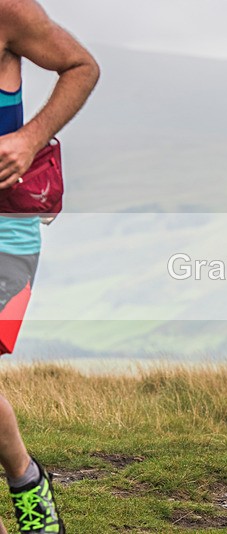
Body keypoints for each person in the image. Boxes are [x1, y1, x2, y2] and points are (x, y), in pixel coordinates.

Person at [0, 1, 99, 531]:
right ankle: (25, 476)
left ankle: (25, 484)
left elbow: (82, 67)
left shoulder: (8, 12)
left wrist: (28, 138)